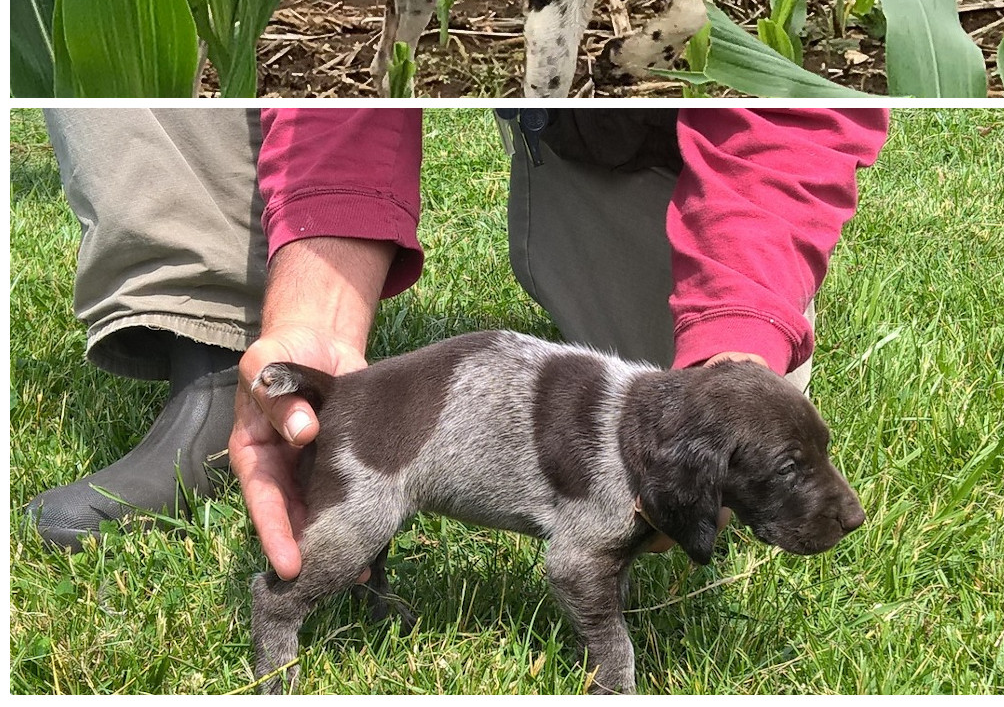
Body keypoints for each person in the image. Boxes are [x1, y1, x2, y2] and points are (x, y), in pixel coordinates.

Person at [26, 107, 889, 581]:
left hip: (641, 121)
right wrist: (318, 312)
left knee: (694, 427)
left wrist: (731, 349)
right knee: (125, 10)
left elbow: (796, 119)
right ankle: (215, 351)